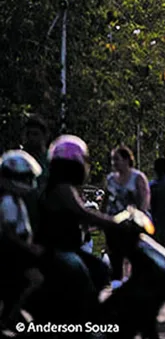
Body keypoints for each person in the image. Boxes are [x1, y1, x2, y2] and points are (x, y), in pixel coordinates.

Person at [36, 135, 122, 324]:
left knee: (99, 268)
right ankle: (81, 322)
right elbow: (84, 213)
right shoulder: (63, 189)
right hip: (57, 251)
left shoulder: (63, 187)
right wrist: (114, 222)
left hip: (66, 248)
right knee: (92, 273)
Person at [0, 151, 44, 328]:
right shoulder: (9, 202)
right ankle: (9, 316)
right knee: (36, 280)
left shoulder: (16, 200)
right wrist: (30, 249)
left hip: (17, 251)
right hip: (13, 253)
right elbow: (10, 233)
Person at [103, 146, 149, 281]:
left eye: (117, 159)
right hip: (114, 227)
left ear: (127, 159)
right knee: (115, 262)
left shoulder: (138, 178)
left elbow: (144, 199)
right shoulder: (111, 179)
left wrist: (138, 217)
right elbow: (106, 201)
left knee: (135, 259)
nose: (114, 163)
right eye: (113, 160)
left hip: (131, 227)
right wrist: (102, 218)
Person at [20, 114, 50, 232]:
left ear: (45, 136)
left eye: (35, 134)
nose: (31, 138)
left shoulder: (51, 160)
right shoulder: (18, 159)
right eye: (28, 134)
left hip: (46, 220)